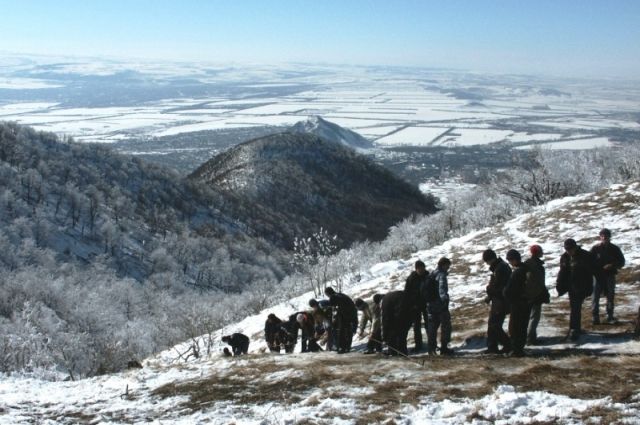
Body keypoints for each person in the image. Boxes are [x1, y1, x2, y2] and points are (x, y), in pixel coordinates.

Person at [556, 238, 596, 341]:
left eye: (570, 249)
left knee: (576, 308)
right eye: (566, 249)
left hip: (582, 286)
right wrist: (560, 286)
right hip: (571, 287)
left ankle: (574, 328)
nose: (568, 251)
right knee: (575, 308)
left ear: (575, 247)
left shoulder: (585, 256)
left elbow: (593, 271)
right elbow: (562, 272)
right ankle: (574, 328)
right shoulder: (564, 257)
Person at [591, 228, 625, 324]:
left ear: (610, 237)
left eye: (606, 236)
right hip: (597, 276)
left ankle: (610, 316)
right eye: (602, 236)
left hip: (610, 275)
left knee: (610, 296)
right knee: (595, 296)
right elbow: (589, 262)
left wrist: (612, 265)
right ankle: (595, 317)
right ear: (600, 237)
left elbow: (622, 262)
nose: (604, 238)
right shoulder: (595, 248)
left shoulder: (615, 249)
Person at [482, 249, 512, 354]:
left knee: (495, 325)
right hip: (498, 300)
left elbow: (498, 287)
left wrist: (489, 290)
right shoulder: (500, 266)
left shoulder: (500, 268)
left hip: (501, 301)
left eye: (487, 261)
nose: (487, 264)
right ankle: (492, 347)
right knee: (492, 324)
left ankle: (508, 344)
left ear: (490, 259)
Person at [503, 249, 530, 357]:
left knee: (515, 327)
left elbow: (508, 290)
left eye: (510, 260)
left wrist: (506, 294)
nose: (510, 263)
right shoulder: (526, 269)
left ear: (514, 260)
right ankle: (520, 348)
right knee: (523, 327)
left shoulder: (517, 272)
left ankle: (515, 350)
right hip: (526, 302)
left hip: (517, 303)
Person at [425, 257, 453, 355]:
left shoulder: (432, 273)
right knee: (446, 326)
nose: (448, 268)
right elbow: (442, 289)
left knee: (432, 327)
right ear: (444, 265)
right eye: (448, 265)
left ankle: (431, 349)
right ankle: (444, 348)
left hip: (430, 305)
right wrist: (445, 300)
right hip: (440, 306)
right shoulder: (441, 275)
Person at [524, 245, 550, 345]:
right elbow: (539, 282)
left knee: (530, 317)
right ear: (538, 253)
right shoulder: (536, 266)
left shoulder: (527, 264)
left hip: (527, 295)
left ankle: (529, 336)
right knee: (534, 317)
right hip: (535, 295)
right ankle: (530, 338)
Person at [403, 260, 429, 352]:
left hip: (426, 304)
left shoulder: (427, 276)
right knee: (416, 326)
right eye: (419, 269)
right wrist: (410, 304)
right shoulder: (411, 278)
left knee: (428, 324)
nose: (421, 270)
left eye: (423, 268)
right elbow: (406, 292)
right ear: (416, 269)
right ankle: (418, 344)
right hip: (415, 306)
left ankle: (431, 343)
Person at [324, 287, 358, 353]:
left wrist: (334, 319)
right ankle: (347, 347)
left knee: (342, 331)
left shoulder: (333, 297)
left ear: (328, 294)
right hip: (351, 313)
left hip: (347, 315)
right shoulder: (340, 295)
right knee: (347, 330)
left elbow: (333, 309)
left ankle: (342, 348)